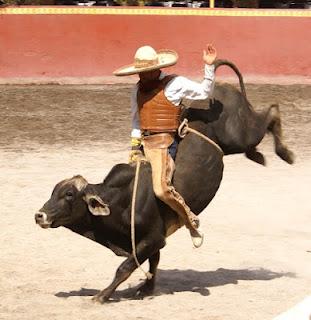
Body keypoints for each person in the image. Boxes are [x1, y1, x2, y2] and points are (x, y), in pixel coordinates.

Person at [113, 44, 217, 248]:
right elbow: (136, 121)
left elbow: (204, 92)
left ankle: (191, 222)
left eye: (144, 72)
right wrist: (134, 148)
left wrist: (209, 67)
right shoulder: (136, 90)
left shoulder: (175, 83)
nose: (140, 77)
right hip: (144, 144)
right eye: (138, 73)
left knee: (161, 190)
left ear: (155, 69)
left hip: (164, 144)